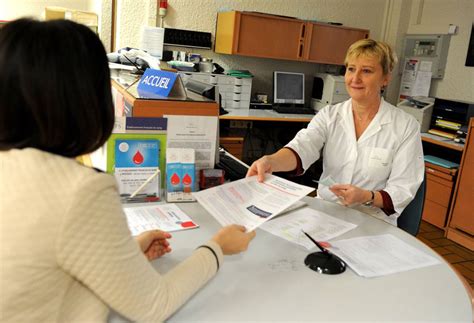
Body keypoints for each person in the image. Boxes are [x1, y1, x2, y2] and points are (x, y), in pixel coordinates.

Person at [0, 18, 255, 322]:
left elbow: (39, 259)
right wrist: (217, 247)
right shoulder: (80, 190)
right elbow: (153, 306)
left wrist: (124, 255)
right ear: (87, 100)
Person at [247, 39, 424, 226]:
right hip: (326, 213)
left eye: (366, 71)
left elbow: (403, 188)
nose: (355, 79)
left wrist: (366, 196)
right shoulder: (330, 115)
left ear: (385, 78)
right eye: (351, 69)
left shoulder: (405, 126)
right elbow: (303, 146)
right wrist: (271, 161)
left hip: (372, 221)